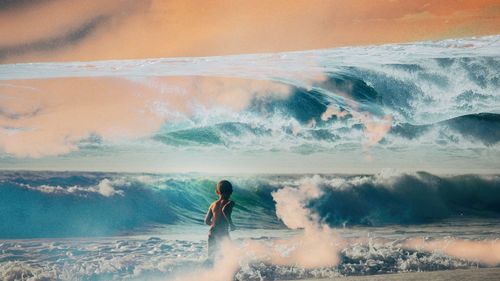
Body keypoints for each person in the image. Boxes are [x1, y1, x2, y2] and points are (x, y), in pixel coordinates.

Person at [204, 180, 236, 260]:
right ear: (231, 192)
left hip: (212, 232)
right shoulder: (230, 202)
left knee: (211, 257)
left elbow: (207, 221)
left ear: (216, 192)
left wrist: (215, 225)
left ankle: (207, 271)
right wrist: (231, 224)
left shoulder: (213, 204)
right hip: (222, 232)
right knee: (230, 254)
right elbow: (224, 210)